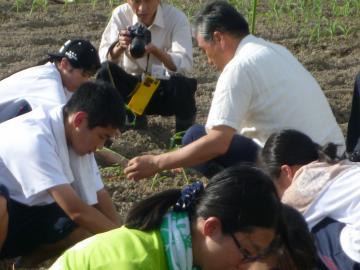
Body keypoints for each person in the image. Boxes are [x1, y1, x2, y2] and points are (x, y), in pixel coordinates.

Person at [124, 0, 345, 181]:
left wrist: (157, 162)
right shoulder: (274, 50)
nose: (208, 60)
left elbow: (217, 142)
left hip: (300, 171)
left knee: (194, 137)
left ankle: (242, 191)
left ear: (219, 38)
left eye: (204, 49)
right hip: (335, 157)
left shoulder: (238, 67)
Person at [50, 165, 282, 269]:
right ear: (211, 228)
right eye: (248, 252)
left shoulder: (179, 249)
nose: (246, 266)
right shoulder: (135, 261)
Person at [0, 81, 125, 267]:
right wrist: (124, 243)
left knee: (84, 227)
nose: (100, 147)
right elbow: (75, 210)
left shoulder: (74, 132)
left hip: (22, 209)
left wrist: (126, 234)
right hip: (6, 209)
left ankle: (22, 265)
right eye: (102, 136)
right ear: (79, 120)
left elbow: (99, 195)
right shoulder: (35, 139)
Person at [260, 129, 360, 269]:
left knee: (302, 237)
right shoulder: (341, 166)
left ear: (286, 171)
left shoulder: (302, 187)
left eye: (275, 187)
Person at [97, 0, 196, 132]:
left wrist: (157, 52)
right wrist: (120, 46)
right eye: (136, 1)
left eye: (148, 1)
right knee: (105, 71)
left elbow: (185, 63)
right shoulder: (121, 14)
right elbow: (103, 58)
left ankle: (183, 135)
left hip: (162, 88)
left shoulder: (176, 18)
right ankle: (121, 122)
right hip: (131, 90)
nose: (142, 8)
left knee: (183, 84)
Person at [0, 38, 100, 121]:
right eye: (85, 74)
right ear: (64, 64)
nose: (87, 80)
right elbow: (61, 120)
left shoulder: (56, 76)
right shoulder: (48, 81)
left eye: (90, 76)